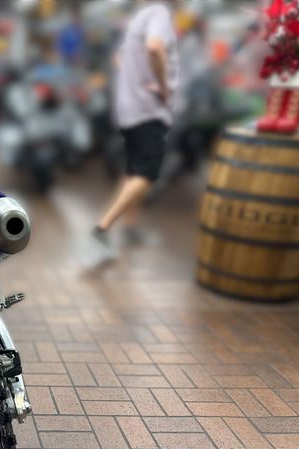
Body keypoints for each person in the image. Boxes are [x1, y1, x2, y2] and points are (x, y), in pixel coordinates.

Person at [92, 0, 179, 260]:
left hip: (130, 108)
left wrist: (136, 80)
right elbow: (154, 47)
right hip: (147, 110)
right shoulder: (159, 13)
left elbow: (120, 58)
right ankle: (102, 228)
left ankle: (130, 228)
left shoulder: (138, 19)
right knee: (146, 174)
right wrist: (162, 87)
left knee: (132, 171)